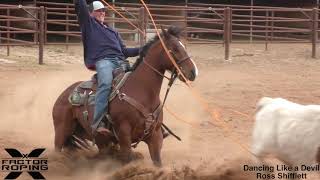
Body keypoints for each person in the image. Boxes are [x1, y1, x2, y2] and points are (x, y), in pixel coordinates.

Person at [74, 0, 140, 136]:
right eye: (99, 10)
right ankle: (98, 123)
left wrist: (143, 49)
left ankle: (150, 121)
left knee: (141, 81)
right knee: (105, 83)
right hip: (104, 61)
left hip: (121, 61)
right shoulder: (89, 24)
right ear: (91, 13)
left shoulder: (113, 31)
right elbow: (80, 6)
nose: (102, 13)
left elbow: (125, 52)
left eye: (104, 10)